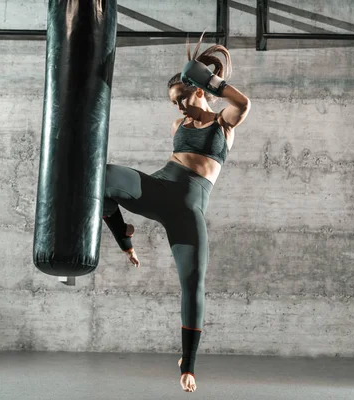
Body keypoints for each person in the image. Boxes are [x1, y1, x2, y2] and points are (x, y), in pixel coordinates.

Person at [102, 36, 250, 393]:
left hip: (188, 208)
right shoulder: (178, 127)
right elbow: (173, 161)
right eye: (174, 103)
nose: (179, 108)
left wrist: (211, 81)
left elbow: (242, 102)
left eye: (181, 99)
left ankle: (189, 365)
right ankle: (125, 237)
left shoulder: (224, 123)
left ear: (197, 91)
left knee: (193, 283)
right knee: (101, 176)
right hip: (160, 187)